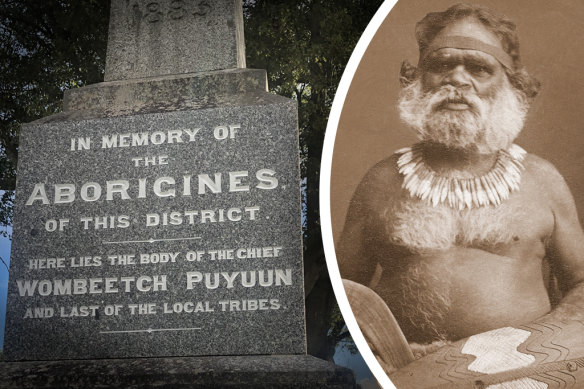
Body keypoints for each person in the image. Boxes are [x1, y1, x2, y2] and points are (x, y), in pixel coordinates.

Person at [337, 3, 584, 381]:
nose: (457, 79)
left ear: (511, 84)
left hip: (525, 374)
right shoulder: (382, 181)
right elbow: (341, 293)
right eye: (441, 65)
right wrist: (376, 357)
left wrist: (539, 347)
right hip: (406, 374)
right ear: (418, 78)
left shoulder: (542, 180)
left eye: (479, 68)